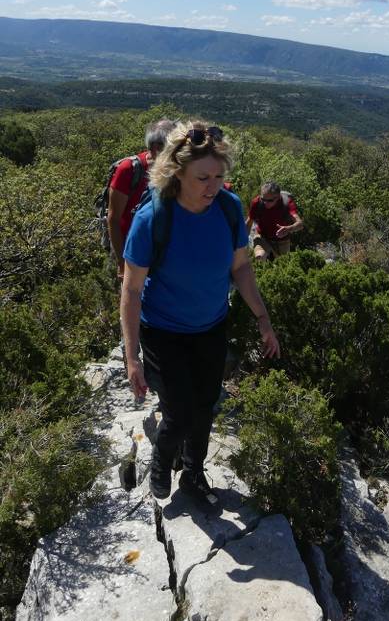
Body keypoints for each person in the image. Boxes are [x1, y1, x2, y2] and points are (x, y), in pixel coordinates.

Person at [121, 120, 280, 504]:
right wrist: (132, 357)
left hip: (210, 325)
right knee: (178, 410)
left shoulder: (228, 208)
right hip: (163, 330)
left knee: (205, 405)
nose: (213, 186)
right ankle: (162, 460)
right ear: (177, 173)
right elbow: (131, 289)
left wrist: (263, 320)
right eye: (203, 177)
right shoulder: (153, 219)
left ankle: (193, 472)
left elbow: (240, 267)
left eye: (219, 176)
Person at [108, 119, 176, 279]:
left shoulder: (176, 171)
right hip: (132, 253)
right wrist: (122, 263)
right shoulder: (128, 170)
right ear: (155, 147)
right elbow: (114, 219)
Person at [246, 181, 304, 262]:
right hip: (262, 236)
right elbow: (249, 223)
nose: (265, 203)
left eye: (270, 200)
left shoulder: (286, 202)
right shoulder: (257, 202)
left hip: (282, 240)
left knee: (283, 265)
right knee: (259, 258)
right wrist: (241, 243)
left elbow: (300, 224)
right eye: (263, 199)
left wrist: (288, 229)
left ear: (278, 197)